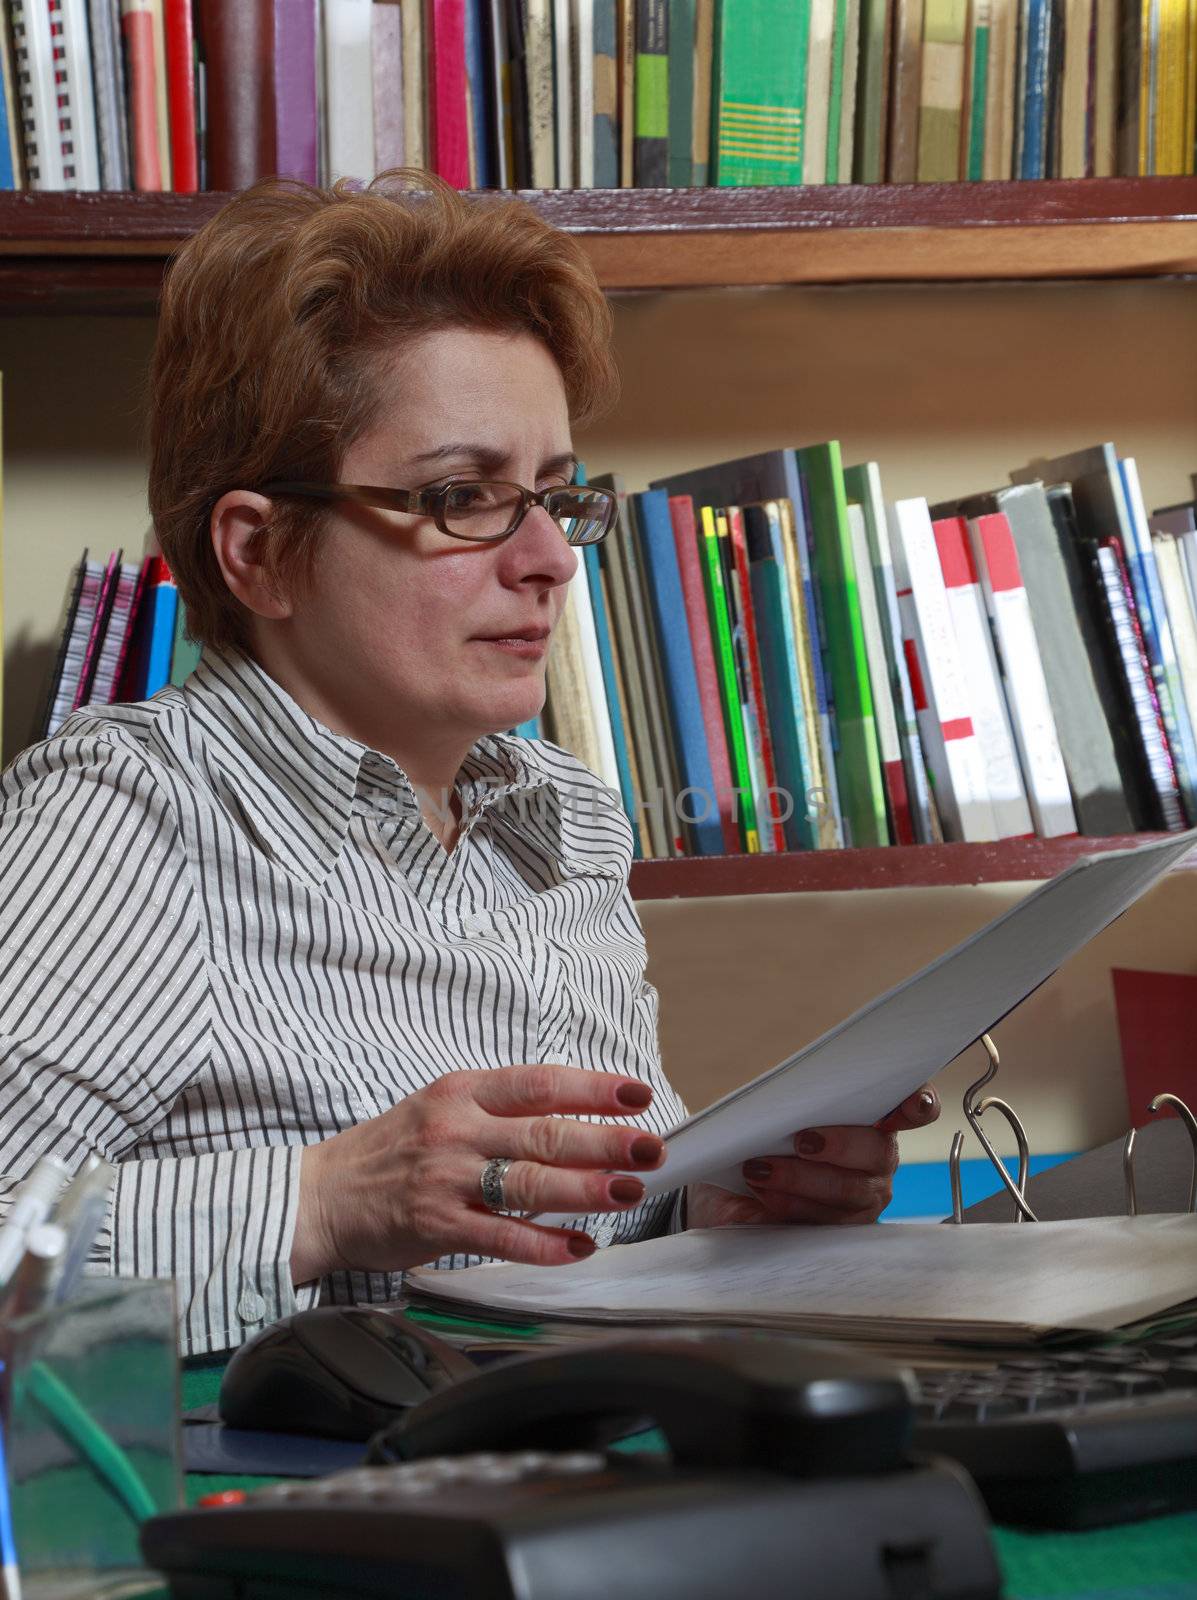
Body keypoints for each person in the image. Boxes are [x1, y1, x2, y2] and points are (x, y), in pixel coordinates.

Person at [0, 173, 940, 1356]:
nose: (549, 557)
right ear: (260, 553)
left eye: (554, 495)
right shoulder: (126, 820)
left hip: (583, 1450)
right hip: (292, 1511)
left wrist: (708, 1200)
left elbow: (564, 1221)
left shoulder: (571, 814)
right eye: (461, 497)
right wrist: (327, 1199)